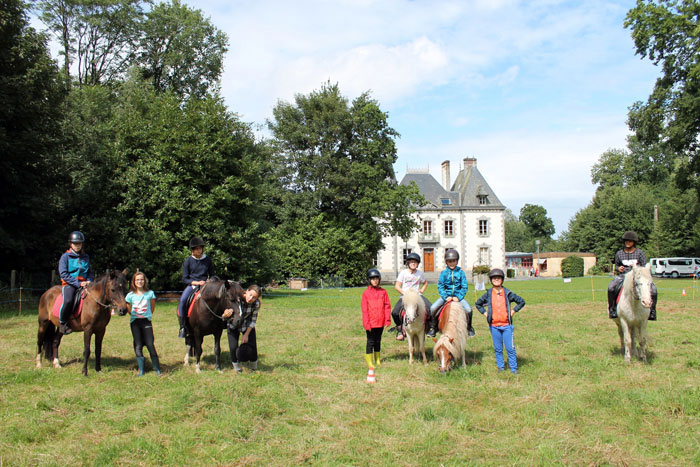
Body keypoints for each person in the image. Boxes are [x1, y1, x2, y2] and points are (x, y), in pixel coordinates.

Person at [474, 268, 526, 374]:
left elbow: (521, 302)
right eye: (494, 278)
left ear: (502, 280)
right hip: (494, 326)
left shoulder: (508, 293)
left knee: (510, 348)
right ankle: (500, 367)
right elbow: (478, 303)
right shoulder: (488, 293)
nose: (496, 280)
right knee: (498, 349)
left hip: (507, 326)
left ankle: (513, 369)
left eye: (498, 278)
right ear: (491, 280)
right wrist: (485, 313)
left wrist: (513, 312)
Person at [607, 231, 657, 320]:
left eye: (630, 241)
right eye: (626, 241)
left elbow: (644, 267)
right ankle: (612, 309)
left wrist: (637, 268)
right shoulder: (619, 253)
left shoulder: (640, 253)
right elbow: (617, 266)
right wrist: (618, 269)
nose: (627, 243)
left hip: (637, 277)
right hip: (623, 276)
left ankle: (652, 311)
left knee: (654, 290)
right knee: (611, 287)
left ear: (634, 242)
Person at [429, 249, 475, 337]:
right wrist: (445, 296)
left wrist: (459, 297)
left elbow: (464, 286)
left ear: (457, 261)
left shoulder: (461, 272)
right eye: (449, 261)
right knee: (432, 308)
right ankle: (434, 328)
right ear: (446, 262)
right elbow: (440, 286)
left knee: (469, 309)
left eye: (453, 261)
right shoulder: (444, 273)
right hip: (446, 296)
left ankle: (469, 328)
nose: (452, 263)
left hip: (458, 296)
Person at [177, 237, 215, 338]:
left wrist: (209, 280)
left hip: (206, 285)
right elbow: (185, 278)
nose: (199, 250)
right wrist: (197, 282)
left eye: (200, 248)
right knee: (182, 300)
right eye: (196, 249)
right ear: (192, 250)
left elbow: (212, 274)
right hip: (193, 285)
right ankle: (183, 327)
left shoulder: (207, 260)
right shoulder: (188, 261)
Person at [125, 271, 161, 376]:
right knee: (138, 345)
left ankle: (157, 368)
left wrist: (147, 315)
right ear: (134, 282)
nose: (139, 281)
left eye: (141, 279)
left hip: (146, 321)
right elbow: (129, 309)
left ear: (144, 281)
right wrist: (135, 316)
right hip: (135, 322)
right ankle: (141, 369)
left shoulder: (150, 294)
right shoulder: (130, 295)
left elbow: (152, 307)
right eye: (137, 280)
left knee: (150, 344)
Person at [57, 231, 94, 335]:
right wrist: (78, 283)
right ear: (71, 244)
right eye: (75, 243)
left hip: (85, 284)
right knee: (68, 300)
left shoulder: (86, 257)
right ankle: (63, 322)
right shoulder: (65, 257)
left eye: (79, 244)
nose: (77, 246)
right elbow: (63, 274)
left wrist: (89, 281)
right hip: (70, 284)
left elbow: (90, 272)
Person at [390, 252, 434, 340]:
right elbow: (397, 286)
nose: (413, 263)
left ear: (418, 264)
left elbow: (425, 283)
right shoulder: (403, 273)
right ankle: (400, 329)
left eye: (415, 262)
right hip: (405, 296)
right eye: (411, 262)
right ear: (408, 263)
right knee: (394, 312)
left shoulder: (420, 273)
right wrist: (404, 292)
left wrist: (422, 290)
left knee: (431, 308)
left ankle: (430, 327)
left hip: (417, 296)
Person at [223, 285, 261, 372]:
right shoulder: (235, 298)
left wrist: (246, 334)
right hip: (233, 324)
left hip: (246, 325)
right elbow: (223, 315)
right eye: (250, 294)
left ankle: (253, 367)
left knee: (252, 346)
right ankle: (236, 367)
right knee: (233, 347)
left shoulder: (256, 304)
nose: (250, 298)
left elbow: (253, 321)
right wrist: (224, 315)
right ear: (246, 291)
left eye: (254, 297)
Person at [361, 269, 391, 370]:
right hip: (371, 323)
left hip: (381, 322)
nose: (375, 280)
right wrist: (366, 324)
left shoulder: (383, 292)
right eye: (373, 279)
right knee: (370, 342)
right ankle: (369, 361)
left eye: (376, 278)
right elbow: (364, 310)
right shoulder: (366, 294)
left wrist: (387, 319)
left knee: (378, 341)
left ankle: (377, 359)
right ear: (369, 280)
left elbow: (387, 306)